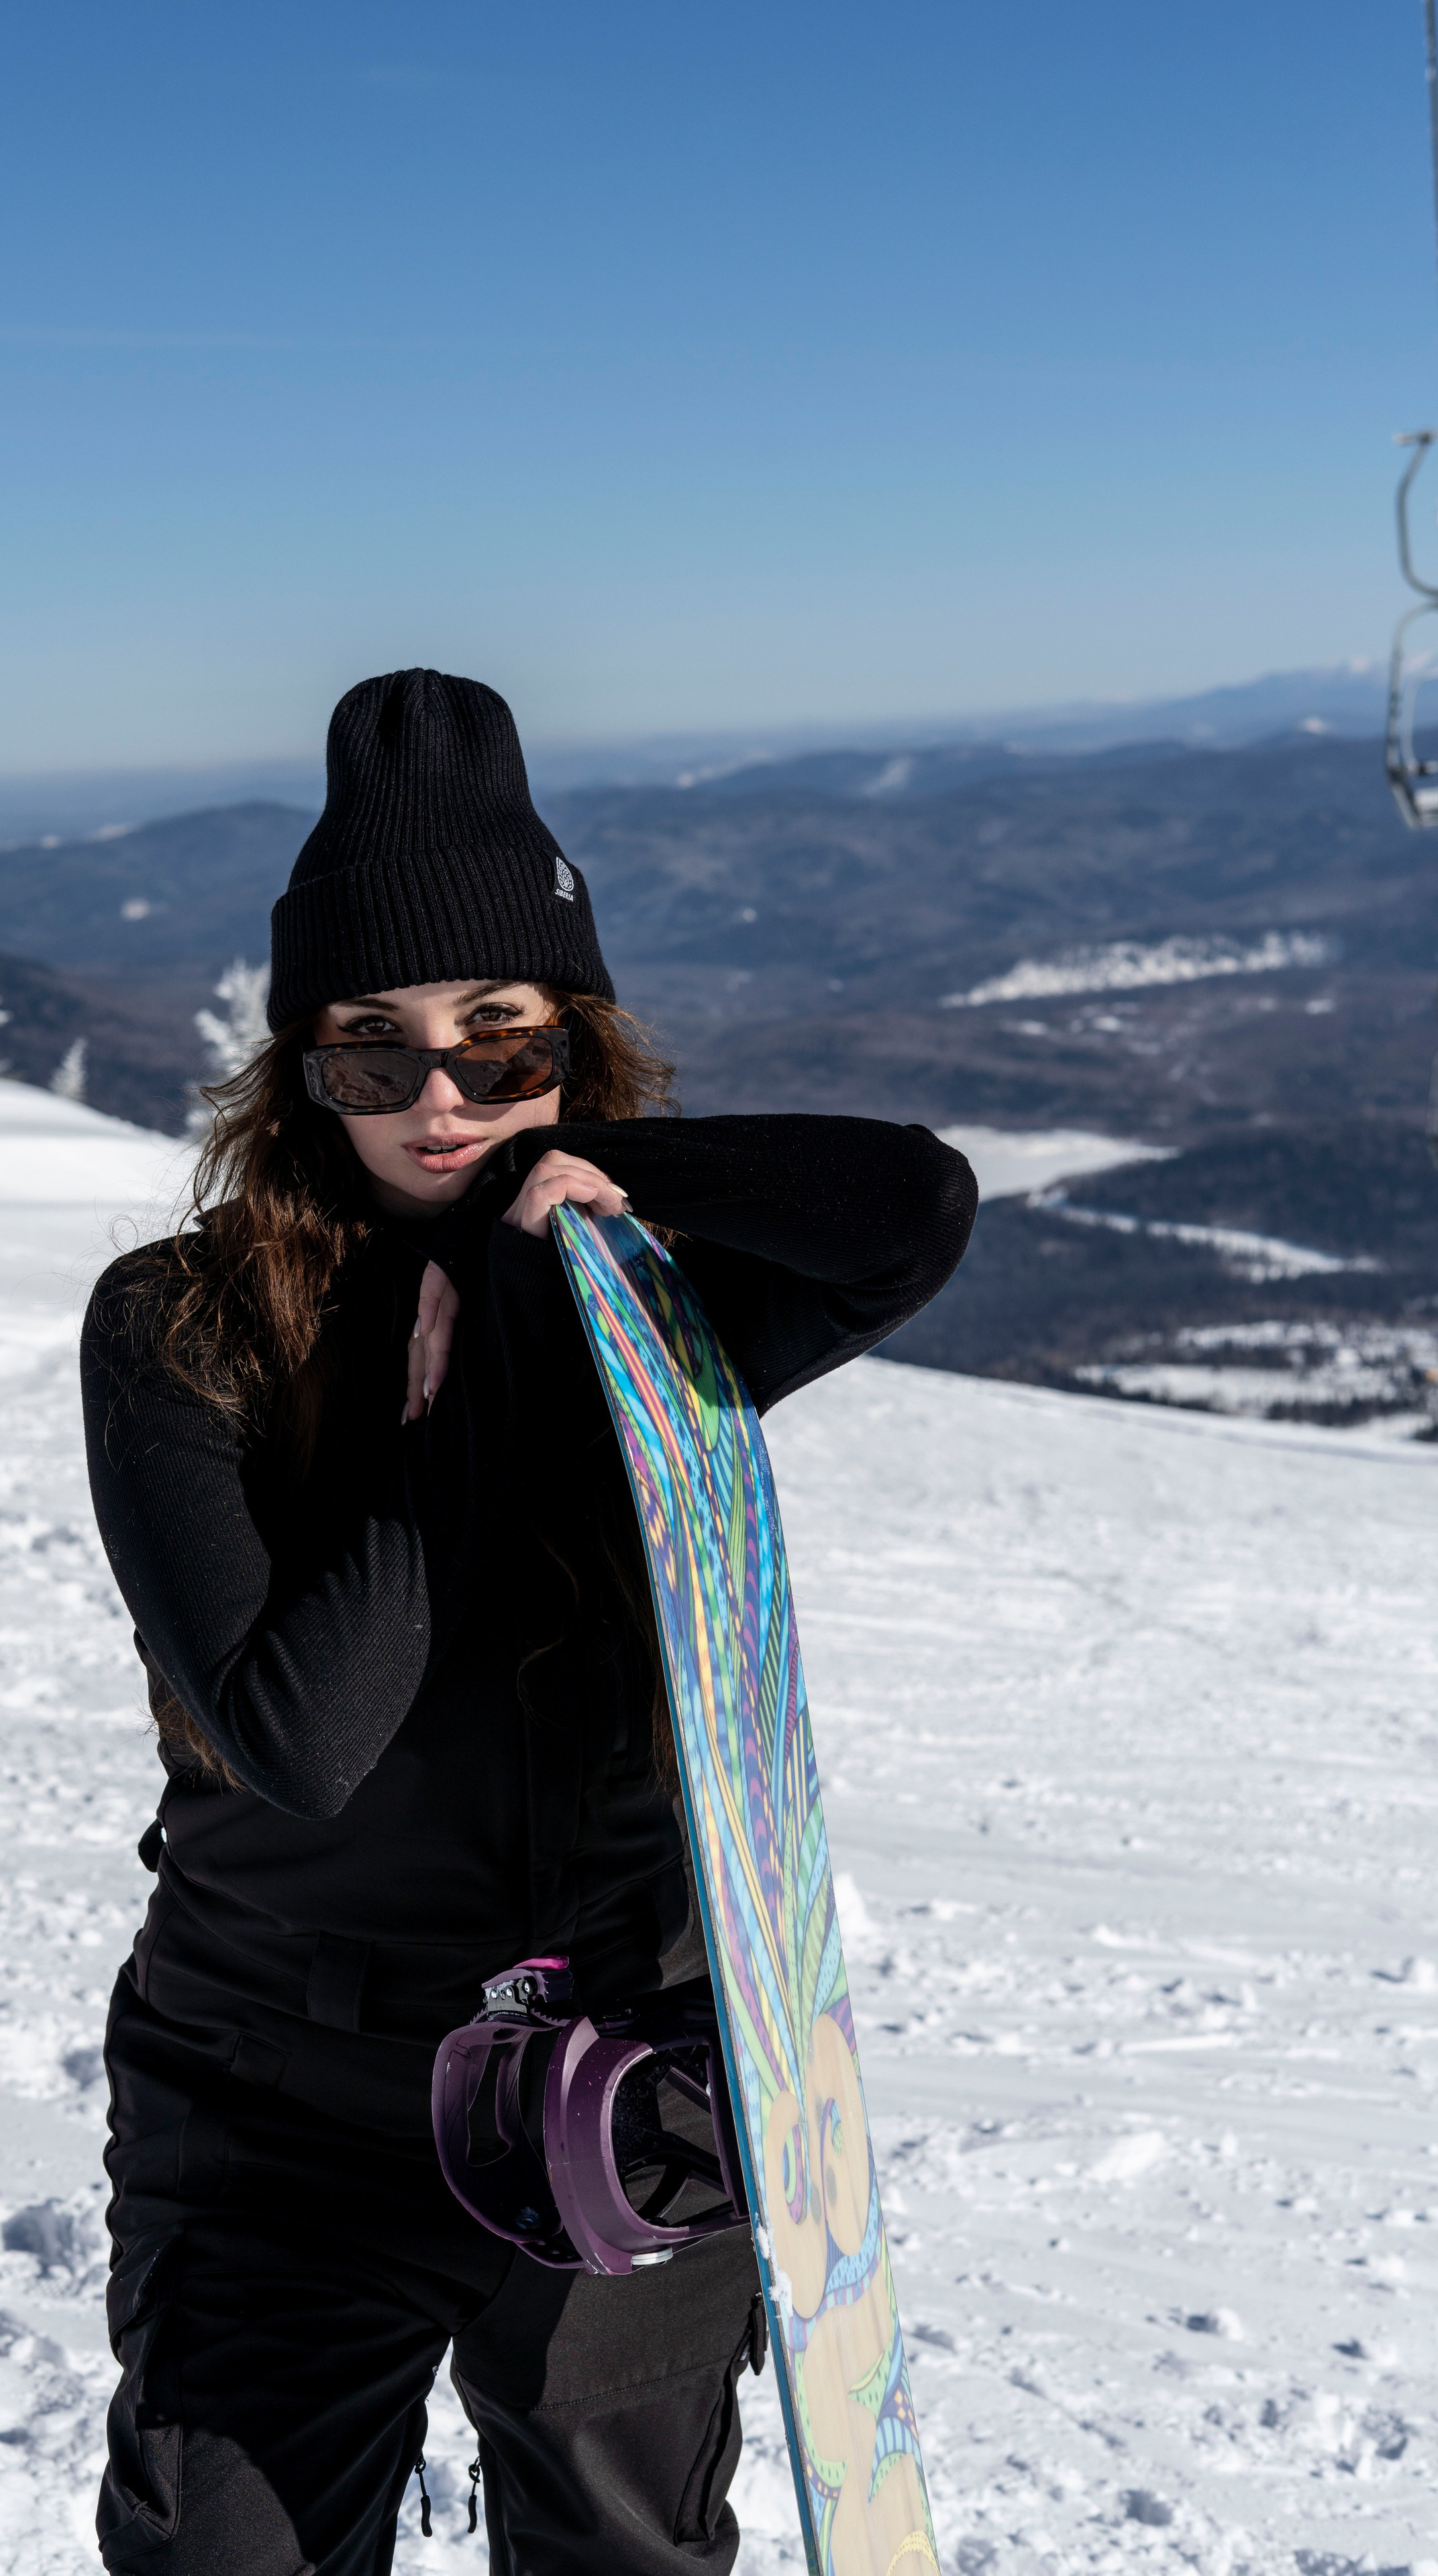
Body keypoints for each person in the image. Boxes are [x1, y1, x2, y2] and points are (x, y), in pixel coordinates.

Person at [80, 668, 976, 2575]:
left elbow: (911, 1207)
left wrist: (582, 1203)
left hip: (617, 2096)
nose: (437, 1098)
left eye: (501, 1046)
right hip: (276, 2106)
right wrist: (472, 1357)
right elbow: (310, 1739)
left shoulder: (642, 1298)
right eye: (371, 1049)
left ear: (572, 1044)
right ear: (295, 1067)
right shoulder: (180, 1329)